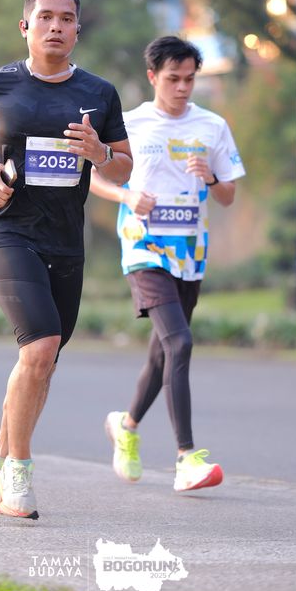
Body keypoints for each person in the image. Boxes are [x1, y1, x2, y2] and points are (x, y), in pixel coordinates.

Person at [0, 0, 132, 518]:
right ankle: (16, 473)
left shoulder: (99, 92)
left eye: (66, 18)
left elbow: (123, 166)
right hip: (7, 232)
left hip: (65, 240)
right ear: (25, 27)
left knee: (43, 360)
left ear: (78, 29)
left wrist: (99, 153)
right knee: (40, 346)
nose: (55, 27)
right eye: (45, 17)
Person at [90, 35, 245, 492]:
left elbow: (228, 195)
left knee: (164, 352)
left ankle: (126, 425)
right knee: (180, 343)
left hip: (190, 252)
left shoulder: (212, 126)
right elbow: (95, 177)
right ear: (152, 76)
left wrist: (211, 177)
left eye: (189, 79)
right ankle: (186, 459)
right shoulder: (131, 124)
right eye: (173, 78)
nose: (182, 88)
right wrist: (126, 196)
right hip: (144, 247)